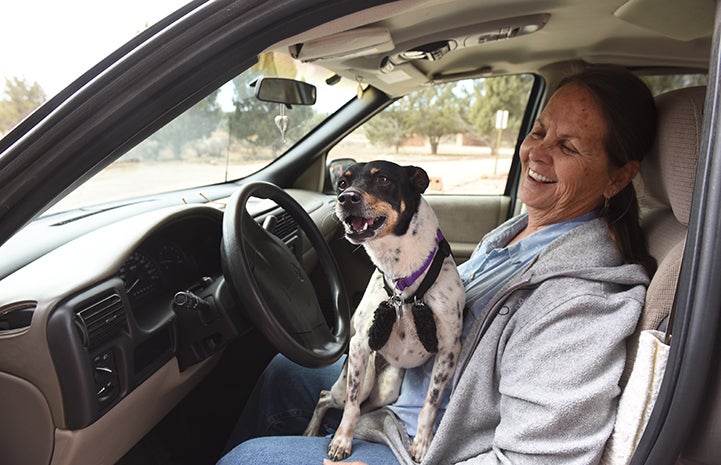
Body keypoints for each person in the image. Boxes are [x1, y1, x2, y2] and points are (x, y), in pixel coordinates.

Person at [217, 65, 658, 465]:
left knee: (246, 460)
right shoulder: (519, 235)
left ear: (618, 177)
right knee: (282, 372)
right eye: (539, 132)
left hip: (418, 446)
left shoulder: (581, 301)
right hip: (393, 385)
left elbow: (538, 460)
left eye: (568, 146)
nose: (537, 154)